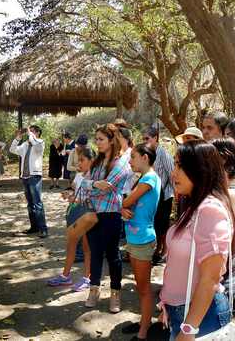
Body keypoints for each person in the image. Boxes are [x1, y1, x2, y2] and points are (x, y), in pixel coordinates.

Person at [158, 140, 234, 340]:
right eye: (175, 165)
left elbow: (210, 278)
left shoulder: (209, 210)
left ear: (200, 169)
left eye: (180, 166)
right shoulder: (193, 206)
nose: (174, 173)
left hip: (200, 318)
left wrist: (189, 329)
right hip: (184, 313)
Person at [79, 124, 133, 313]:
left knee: (112, 255)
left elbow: (109, 186)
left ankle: (115, 293)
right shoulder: (96, 163)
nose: (98, 143)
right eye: (97, 139)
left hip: (111, 215)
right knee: (95, 253)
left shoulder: (121, 163)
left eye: (101, 139)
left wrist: (92, 186)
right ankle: (94, 290)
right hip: (94, 215)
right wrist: (95, 185)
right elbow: (84, 184)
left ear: (112, 140)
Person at [120, 144, 161, 340]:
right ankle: (144, 321)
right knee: (140, 286)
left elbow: (127, 201)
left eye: (133, 157)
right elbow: (126, 204)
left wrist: (119, 204)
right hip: (135, 238)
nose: (130, 161)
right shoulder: (143, 178)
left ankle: (144, 332)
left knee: (144, 289)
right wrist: (121, 207)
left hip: (143, 240)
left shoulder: (150, 178)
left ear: (145, 157)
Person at [46, 147, 95, 291]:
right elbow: (73, 188)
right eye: (77, 160)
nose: (78, 163)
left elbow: (93, 199)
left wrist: (76, 199)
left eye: (82, 160)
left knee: (87, 247)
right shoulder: (80, 175)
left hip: (87, 215)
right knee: (71, 245)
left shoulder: (95, 177)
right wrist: (68, 193)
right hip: (74, 214)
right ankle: (65, 276)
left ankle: (87, 278)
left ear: (91, 161)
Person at [212, 137, 235, 338]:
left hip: (222, 275)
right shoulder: (227, 190)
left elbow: (228, 243)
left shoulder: (232, 194)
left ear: (224, 160)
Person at [143, 127, 175, 266]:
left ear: (155, 138)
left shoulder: (164, 154)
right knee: (156, 224)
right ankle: (157, 250)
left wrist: (176, 194)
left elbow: (172, 174)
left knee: (163, 225)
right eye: (144, 139)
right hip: (154, 195)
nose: (145, 141)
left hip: (165, 195)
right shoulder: (149, 153)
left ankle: (165, 252)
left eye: (147, 138)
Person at [10, 125, 49, 238]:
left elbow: (35, 143)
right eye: (29, 131)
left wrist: (29, 133)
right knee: (30, 204)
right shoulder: (25, 144)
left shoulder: (40, 142)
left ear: (37, 133)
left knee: (37, 203)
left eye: (31, 131)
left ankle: (43, 229)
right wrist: (17, 138)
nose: (28, 133)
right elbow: (12, 149)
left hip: (35, 176)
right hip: (25, 177)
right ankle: (34, 227)